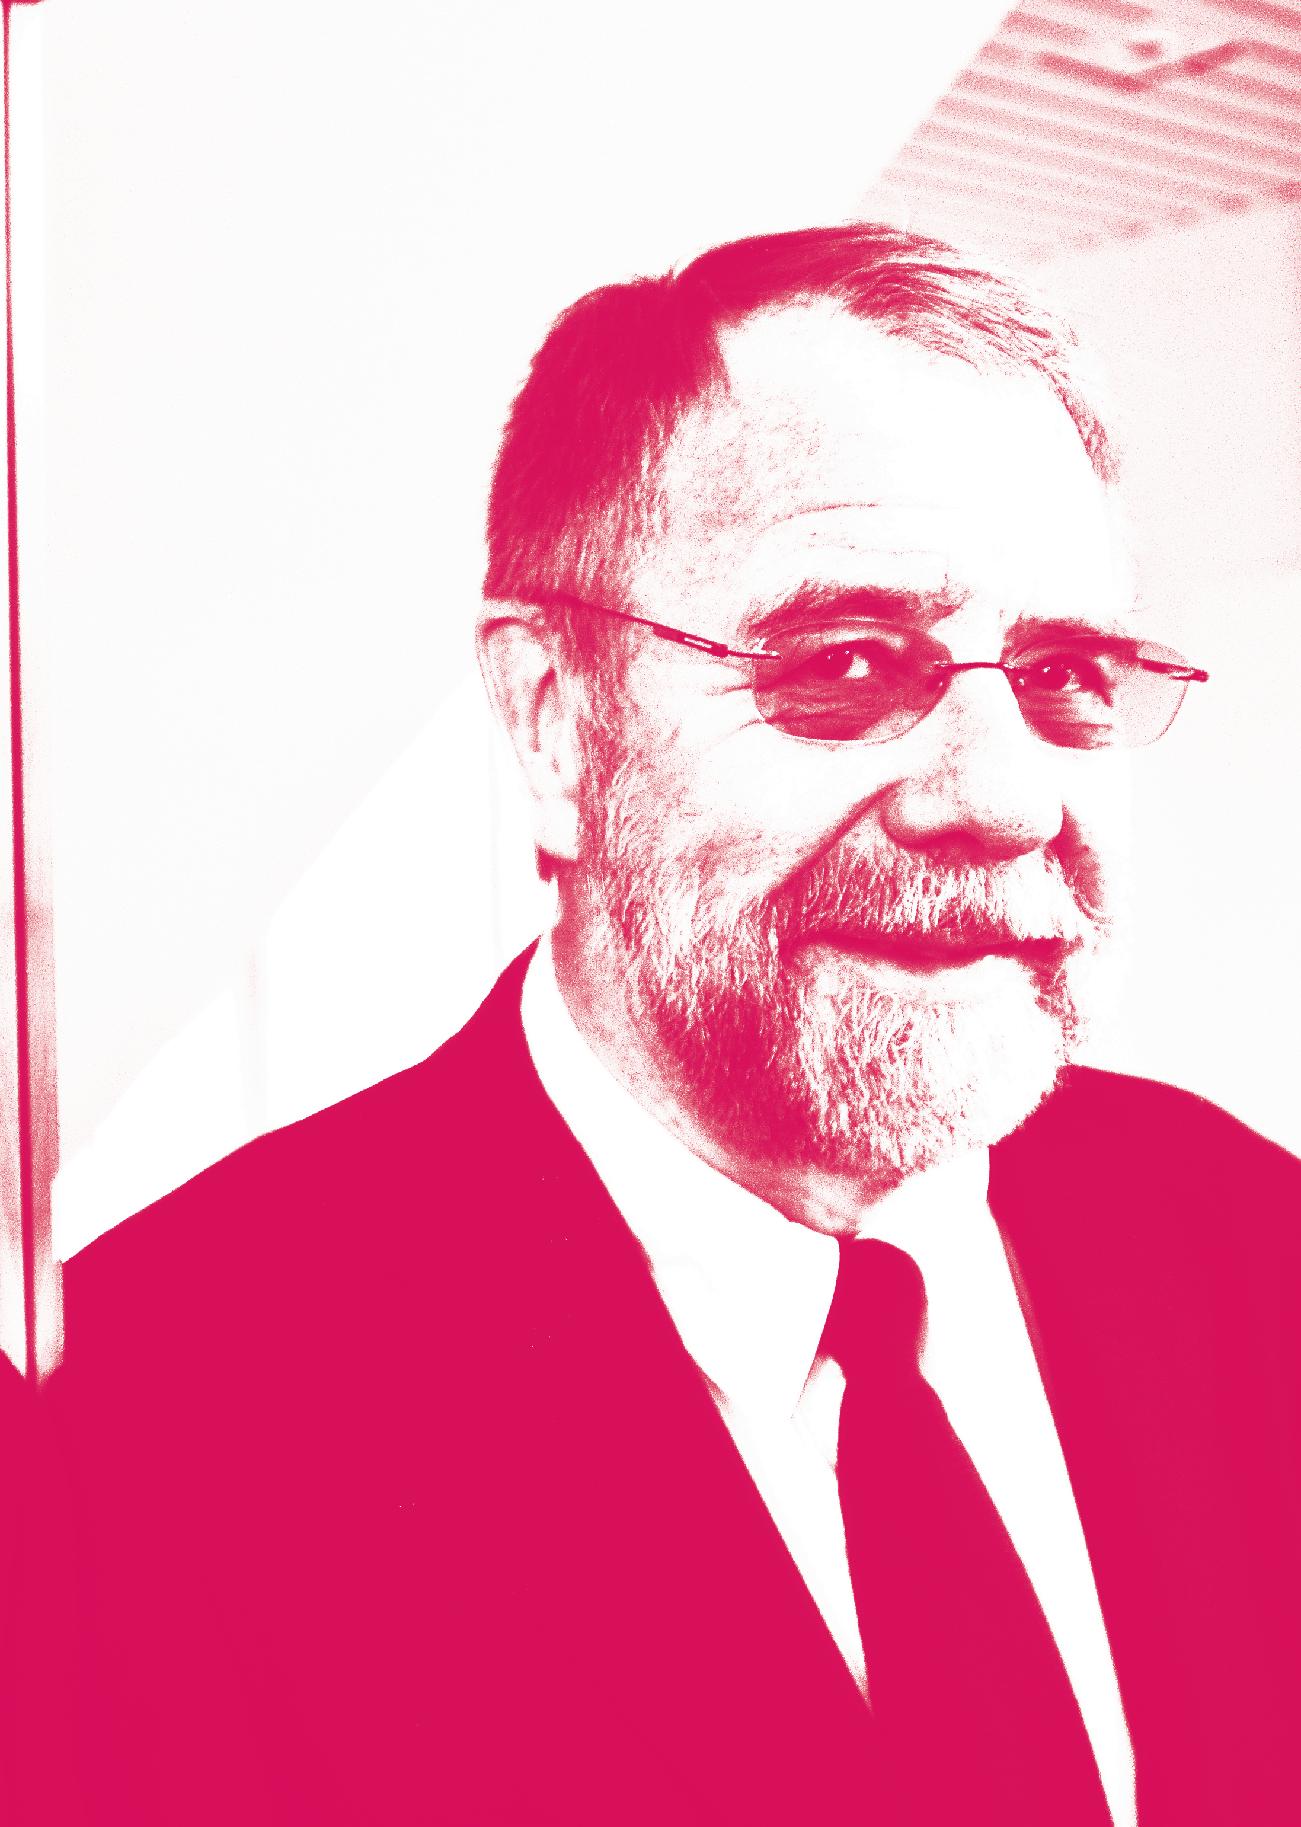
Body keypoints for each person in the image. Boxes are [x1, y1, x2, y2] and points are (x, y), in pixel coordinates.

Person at [49, 225, 1299, 1826]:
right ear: (556, 726)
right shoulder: (148, 1434)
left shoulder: (1250, 1243)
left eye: (1064, 672)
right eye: (847, 661)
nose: (1002, 799)